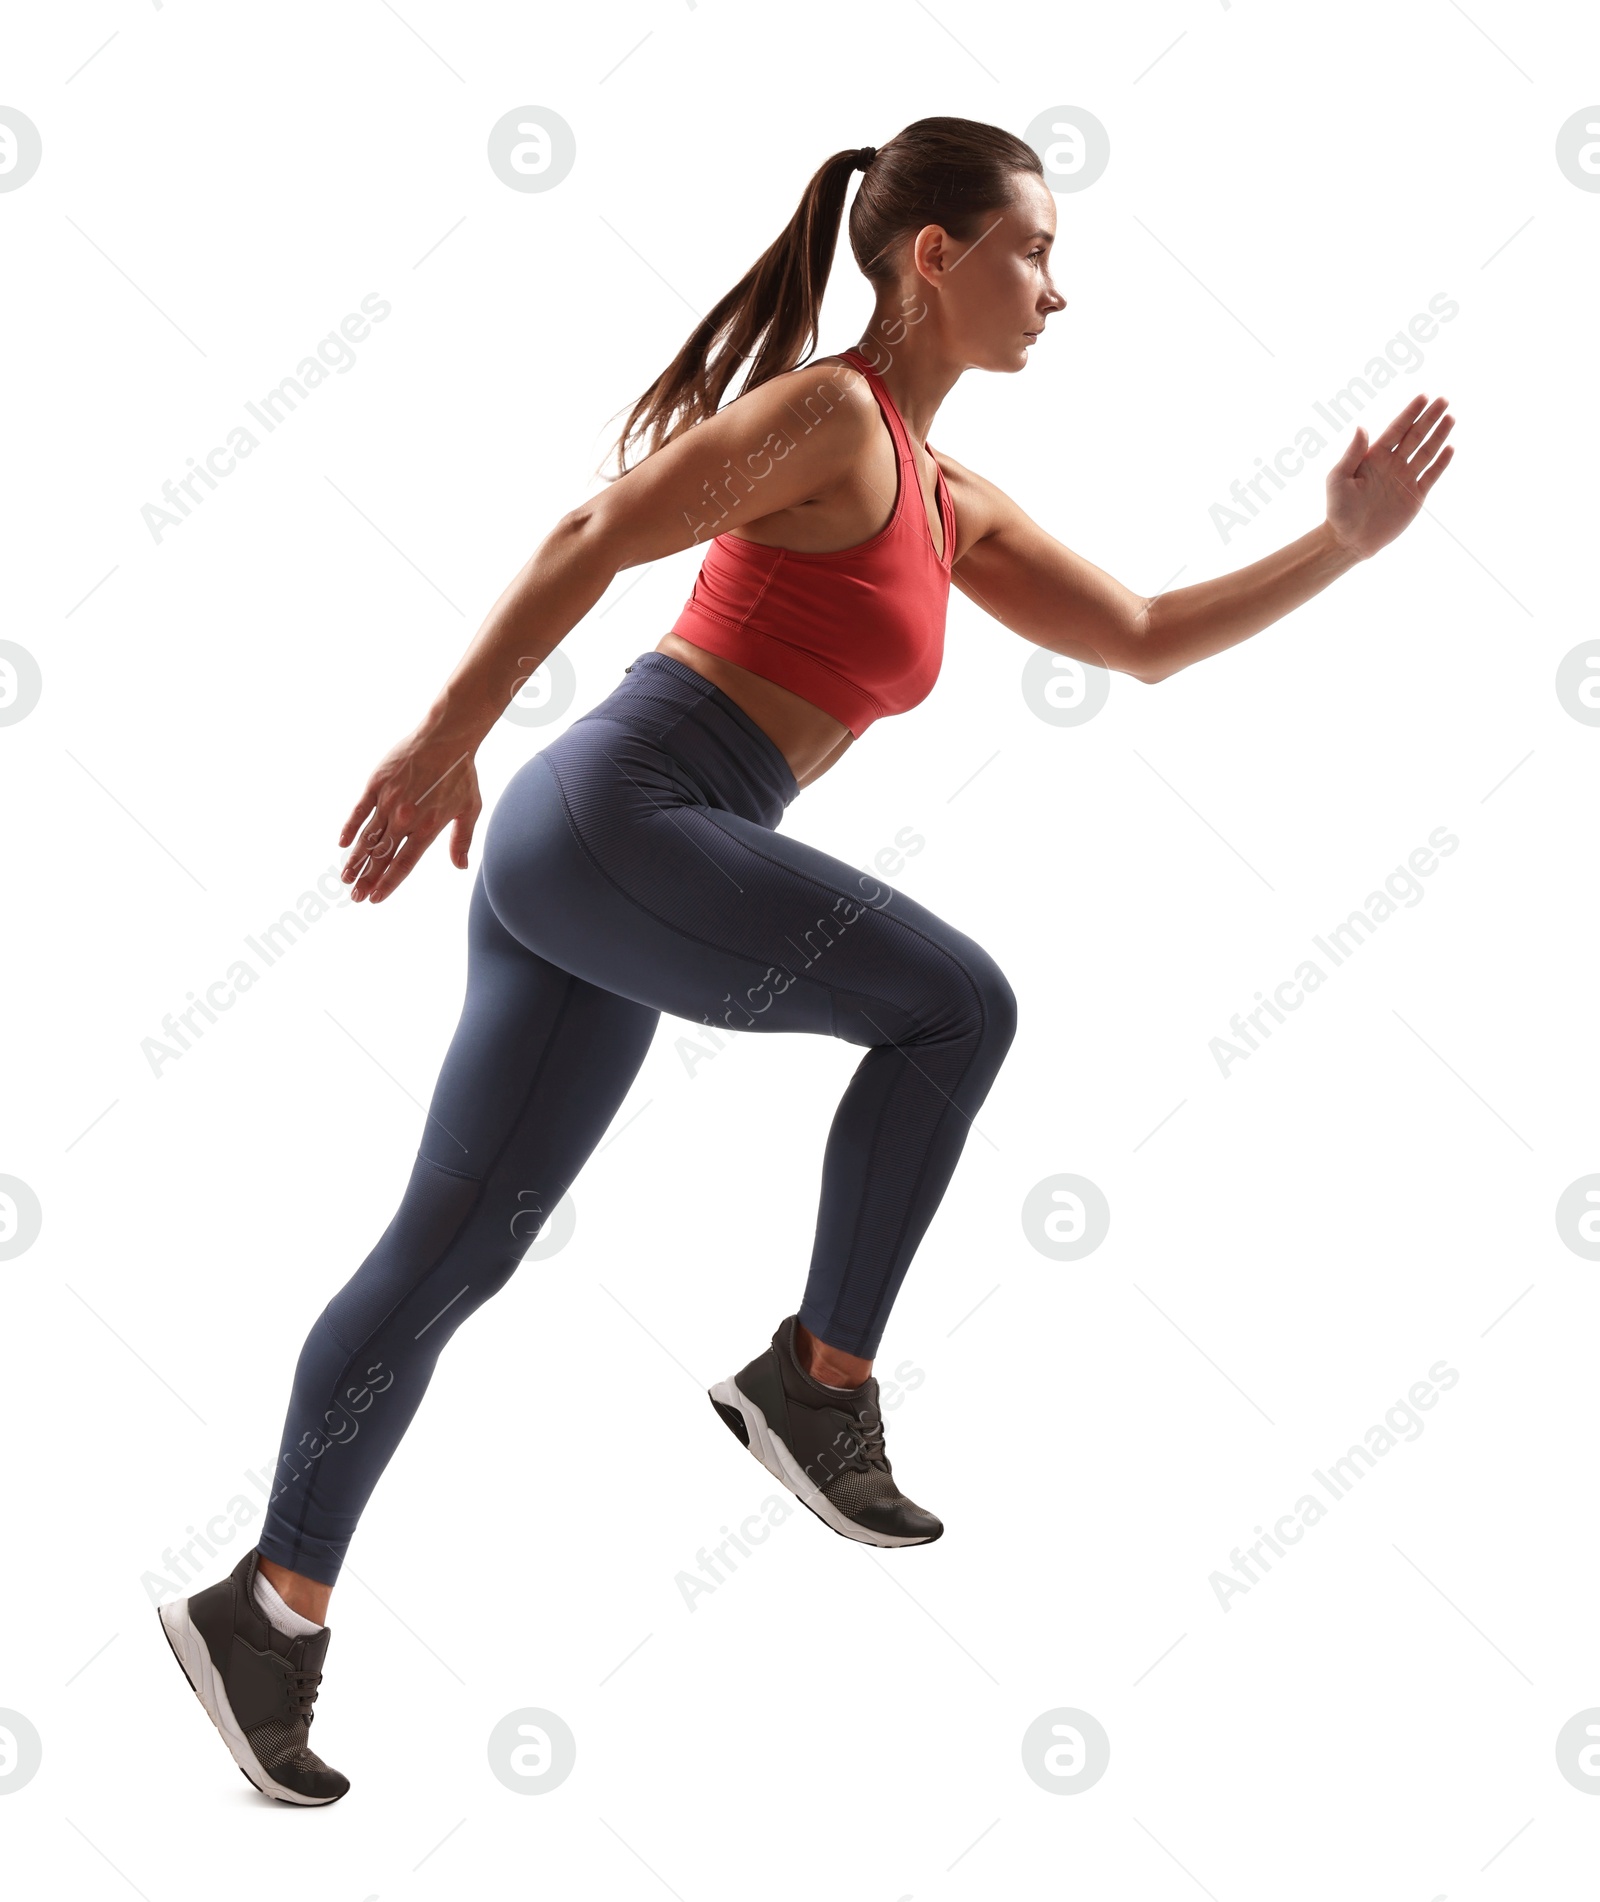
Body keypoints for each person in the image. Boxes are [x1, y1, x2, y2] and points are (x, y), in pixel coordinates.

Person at [155, 115, 1455, 1804]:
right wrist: (442, 738)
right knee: (957, 1003)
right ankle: (815, 1379)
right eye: (1035, 250)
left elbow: (1139, 637)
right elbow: (593, 531)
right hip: (628, 810)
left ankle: (267, 1608)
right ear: (938, 255)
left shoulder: (947, 492)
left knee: (453, 1253)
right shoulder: (834, 415)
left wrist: (1339, 545)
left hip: (642, 855)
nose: (1059, 289)